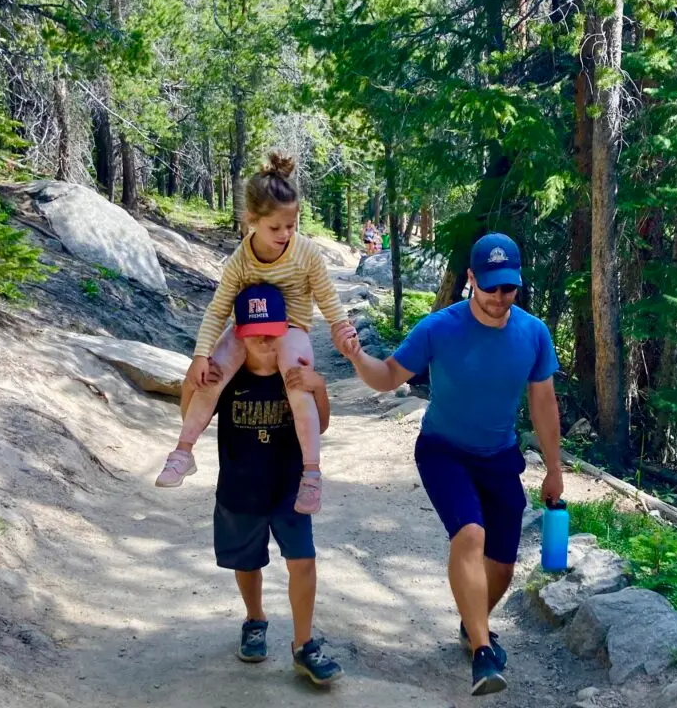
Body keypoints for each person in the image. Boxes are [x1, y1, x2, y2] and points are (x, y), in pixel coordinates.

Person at [336, 233, 564, 697]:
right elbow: (387, 377)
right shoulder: (438, 328)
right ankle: (482, 652)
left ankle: (471, 623)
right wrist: (358, 356)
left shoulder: (533, 334)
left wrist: (555, 468)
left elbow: (543, 403)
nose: (500, 298)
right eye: (492, 287)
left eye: (510, 288)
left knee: (500, 565)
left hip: (499, 457)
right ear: (471, 279)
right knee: (470, 534)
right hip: (443, 449)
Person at [156, 152, 358, 518]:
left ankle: (311, 472)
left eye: (291, 226)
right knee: (212, 375)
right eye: (275, 228)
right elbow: (219, 308)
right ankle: (183, 451)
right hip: (246, 327)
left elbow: (328, 297)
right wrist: (201, 356)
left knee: (297, 382)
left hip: (291, 327)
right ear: (252, 220)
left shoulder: (306, 253)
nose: (284, 235)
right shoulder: (240, 259)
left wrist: (342, 329)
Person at [210, 283, 343, 685]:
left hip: (290, 485)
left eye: (273, 331)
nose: (266, 341)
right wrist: (193, 377)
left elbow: (319, 425)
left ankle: (304, 645)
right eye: (256, 333)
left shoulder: (293, 368)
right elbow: (190, 413)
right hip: (240, 486)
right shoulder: (227, 374)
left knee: (303, 559)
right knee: (247, 563)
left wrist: (318, 387)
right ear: (240, 333)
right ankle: (255, 619)